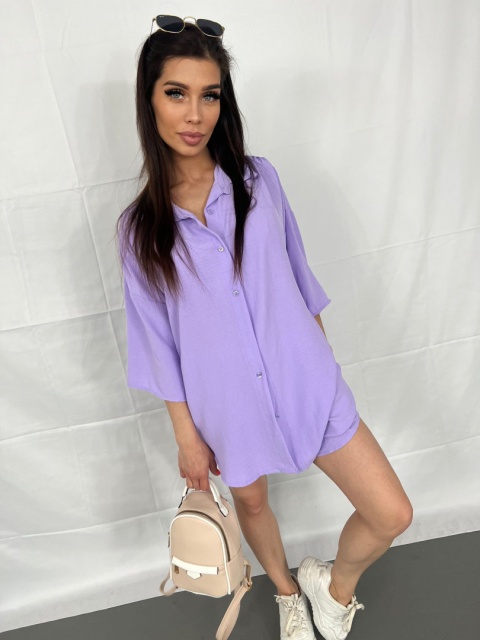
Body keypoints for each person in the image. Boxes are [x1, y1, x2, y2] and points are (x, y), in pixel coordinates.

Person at [116, 15, 413, 640]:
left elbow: (300, 277)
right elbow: (158, 344)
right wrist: (187, 436)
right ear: (149, 99)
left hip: (307, 381)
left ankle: (332, 588)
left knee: (392, 512)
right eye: (176, 93)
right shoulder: (139, 230)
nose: (194, 114)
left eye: (210, 95)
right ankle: (285, 592)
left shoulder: (259, 180)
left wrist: (322, 361)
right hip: (226, 405)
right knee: (252, 502)